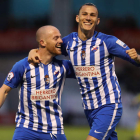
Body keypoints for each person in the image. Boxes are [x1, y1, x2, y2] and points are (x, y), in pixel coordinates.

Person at [28, 3, 140, 140]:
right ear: (77, 18)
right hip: (89, 108)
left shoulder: (108, 42)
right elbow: (47, 49)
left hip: (109, 105)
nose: (88, 18)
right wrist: (33, 51)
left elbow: (135, 60)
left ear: (97, 21)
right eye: (84, 14)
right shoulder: (69, 42)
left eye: (92, 15)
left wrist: (137, 57)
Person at [0, 25, 75, 140]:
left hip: (54, 130)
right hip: (26, 129)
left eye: (60, 37)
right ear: (42, 42)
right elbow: (4, 90)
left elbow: (90, 69)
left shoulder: (64, 66)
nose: (61, 41)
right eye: (56, 38)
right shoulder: (23, 66)